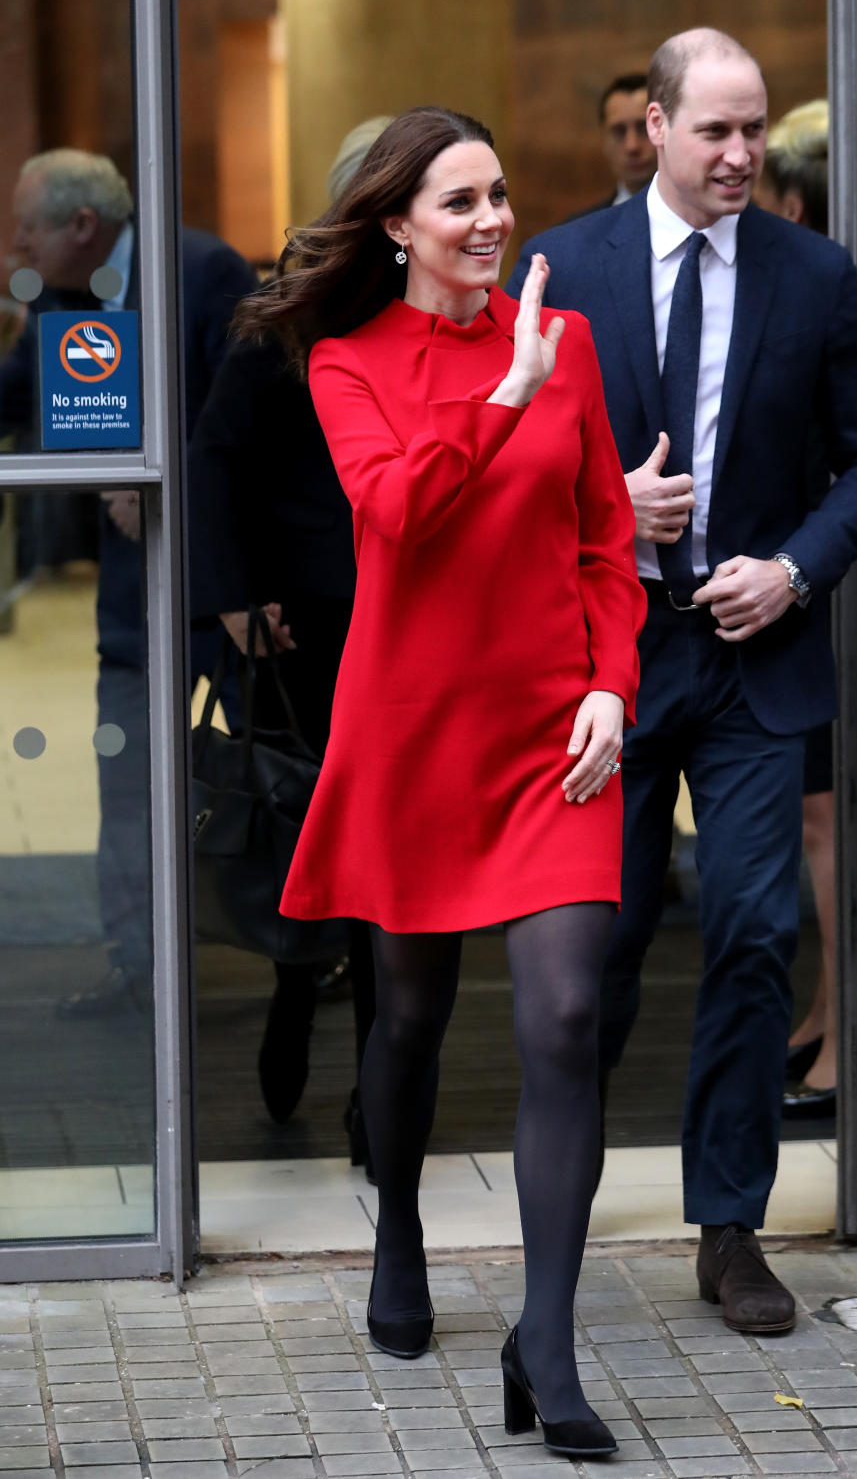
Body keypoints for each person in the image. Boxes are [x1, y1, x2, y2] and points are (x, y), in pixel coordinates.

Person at [234, 105, 647, 1458]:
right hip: (413, 733)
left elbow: (600, 540)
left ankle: (548, 1339)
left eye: (500, 196)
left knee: (568, 1016)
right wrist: (506, 389)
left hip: (551, 735)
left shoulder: (569, 342)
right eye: (459, 202)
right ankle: (399, 1228)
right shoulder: (347, 361)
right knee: (407, 1023)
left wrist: (609, 686)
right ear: (397, 224)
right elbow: (398, 516)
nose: (491, 222)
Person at [508, 29, 857, 1334]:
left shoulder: (816, 274)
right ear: (658, 130)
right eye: (715, 132)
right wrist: (608, 513)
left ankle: (728, 1225)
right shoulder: (567, 270)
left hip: (754, 666)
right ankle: (552, 1213)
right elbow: (504, 465)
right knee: (593, 949)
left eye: (755, 132)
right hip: (608, 664)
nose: (741, 155)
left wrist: (791, 570)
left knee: (752, 930)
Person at [0, 148, 255, 1015]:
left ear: (80, 227)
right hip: (134, 598)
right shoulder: (63, 296)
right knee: (129, 769)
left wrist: (160, 486)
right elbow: (15, 394)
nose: (14, 244)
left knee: (272, 762)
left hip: (230, 587)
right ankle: (140, 965)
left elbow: (248, 421)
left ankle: (309, 948)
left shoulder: (200, 271)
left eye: (25, 227)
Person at [187, 118, 394, 1154]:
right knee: (323, 832)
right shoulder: (286, 309)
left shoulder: (442, 306)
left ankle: (379, 1091)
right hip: (304, 629)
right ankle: (293, 978)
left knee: (392, 863)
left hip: (412, 625)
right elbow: (217, 457)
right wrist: (233, 594)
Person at [754, 99, 838, 1116]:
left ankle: (846, 1028)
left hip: (822, 577)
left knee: (827, 816)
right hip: (803, 579)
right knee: (821, 812)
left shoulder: (821, 282)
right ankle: (826, 1008)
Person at [569, 72, 655, 219]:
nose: (632, 146)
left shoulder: (702, 224)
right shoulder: (579, 234)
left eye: (643, 129)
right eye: (619, 132)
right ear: (603, 139)